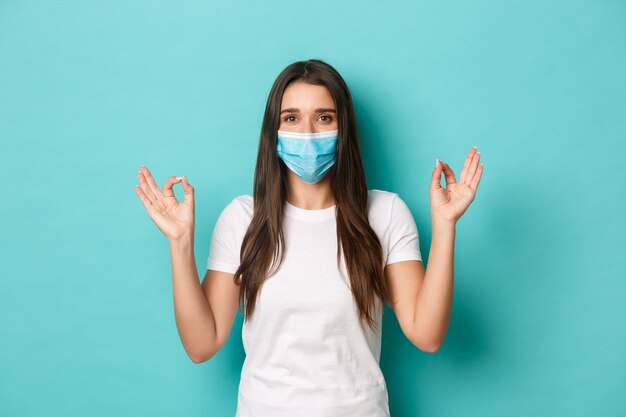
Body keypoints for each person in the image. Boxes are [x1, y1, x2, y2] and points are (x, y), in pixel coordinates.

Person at [134, 58, 483, 416]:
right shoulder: (243, 219)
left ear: (343, 128)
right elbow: (201, 344)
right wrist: (180, 243)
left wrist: (445, 226)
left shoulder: (385, 213)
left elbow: (427, 334)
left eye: (324, 117)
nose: (308, 133)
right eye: (291, 118)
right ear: (274, 131)